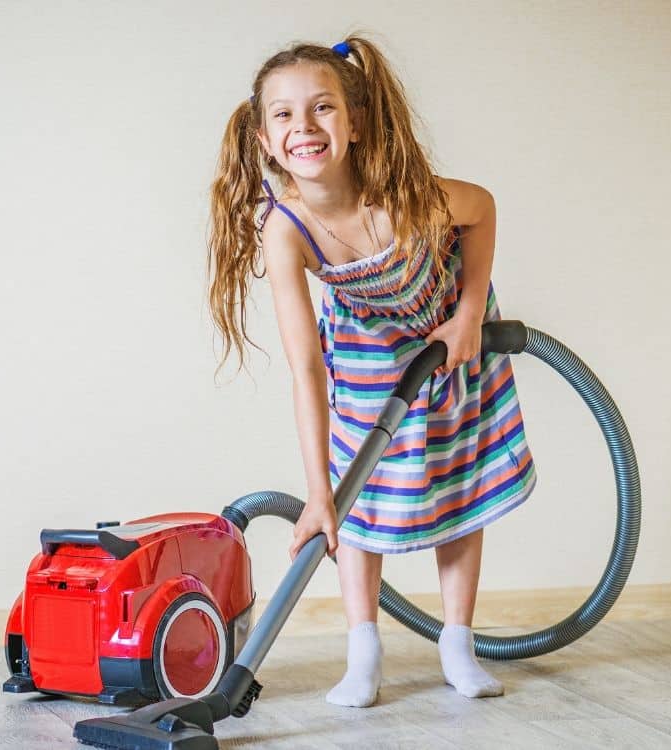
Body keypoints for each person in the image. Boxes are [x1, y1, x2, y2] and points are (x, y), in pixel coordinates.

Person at [207, 34, 536, 707]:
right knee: (355, 494)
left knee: (458, 479)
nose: (304, 126)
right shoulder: (285, 227)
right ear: (266, 141)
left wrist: (470, 315)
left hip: (449, 332)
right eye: (284, 116)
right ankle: (365, 650)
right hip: (365, 346)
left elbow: (482, 210)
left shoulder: (407, 195)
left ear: (354, 124)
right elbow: (304, 367)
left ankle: (458, 643)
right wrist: (317, 494)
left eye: (322, 108)